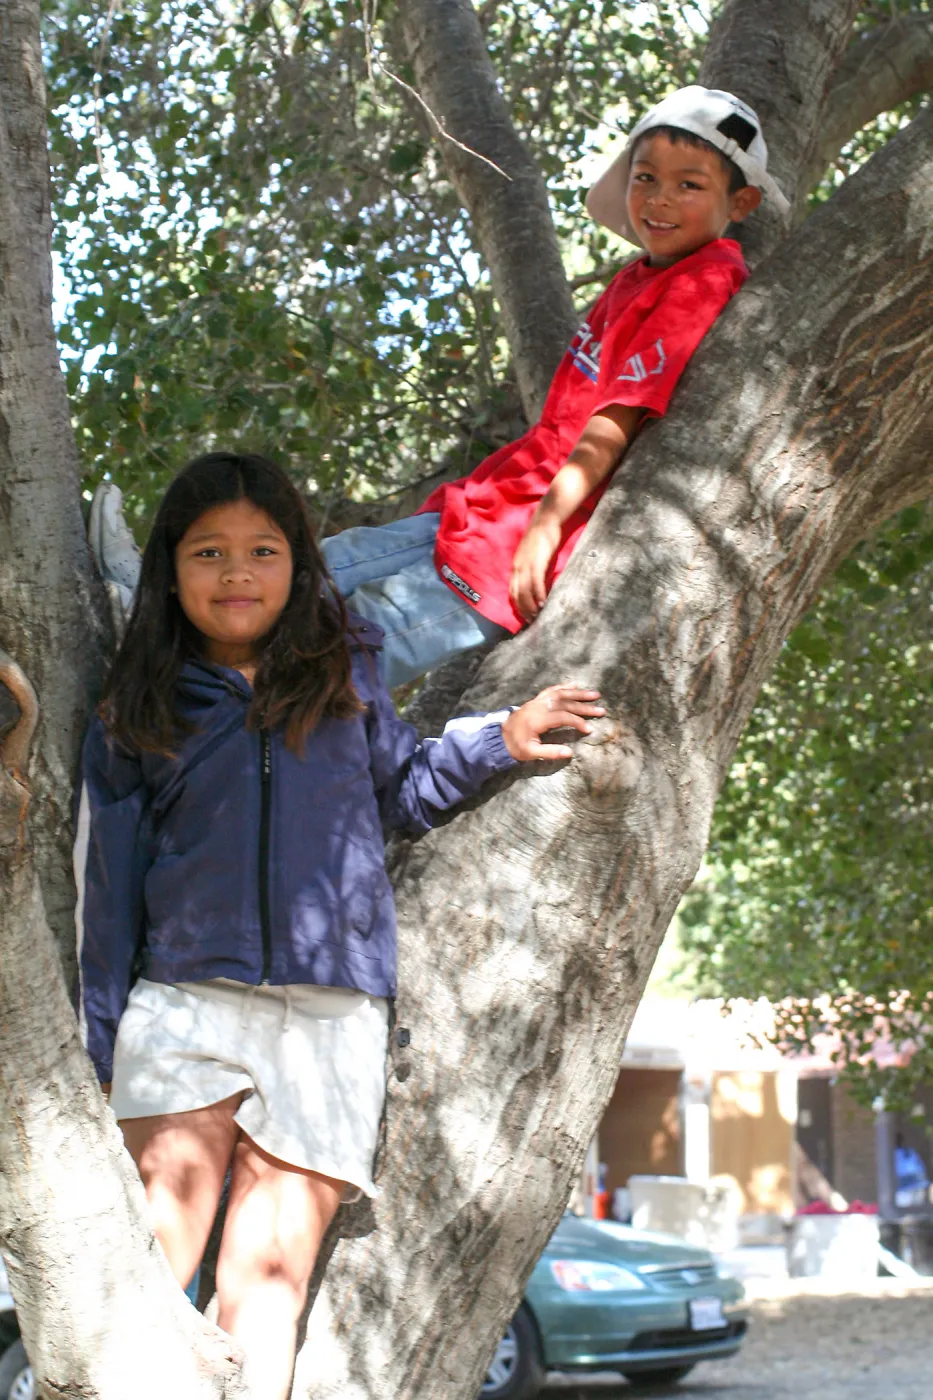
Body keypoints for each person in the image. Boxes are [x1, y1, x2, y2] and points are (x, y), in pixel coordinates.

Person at [74, 451, 604, 1400]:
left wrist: (500, 738)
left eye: (261, 550)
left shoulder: (345, 673)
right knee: (145, 1286)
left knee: (263, 1302)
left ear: (298, 564)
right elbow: (109, 889)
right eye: (208, 553)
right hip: (185, 1009)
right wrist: (102, 1038)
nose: (237, 573)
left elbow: (402, 790)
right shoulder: (137, 704)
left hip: (332, 1024)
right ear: (170, 569)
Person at [89, 86, 787, 688]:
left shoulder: (702, 279)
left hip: (522, 534)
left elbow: (616, 419)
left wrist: (545, 527)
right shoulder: (639, 276)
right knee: (330, 563)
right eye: (644, 177)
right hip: (492, 502)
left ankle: (179, 688)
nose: (658, 200)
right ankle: (148, 605)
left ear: (741, 201)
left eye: (688, 185)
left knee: (362, 637)